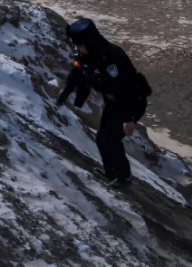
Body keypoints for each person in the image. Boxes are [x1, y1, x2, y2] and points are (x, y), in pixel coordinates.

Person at [56, 18, 152, 188]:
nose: (77, 49)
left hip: (131, 103)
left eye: (80, 45)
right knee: (101, 139)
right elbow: (76, 75)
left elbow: (126, 89)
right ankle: (111, 173)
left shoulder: (112, 58)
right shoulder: (88, 56)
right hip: (113, 102)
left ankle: (124, 177)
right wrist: (64, 95)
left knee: (111, 140)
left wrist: (128, 119)